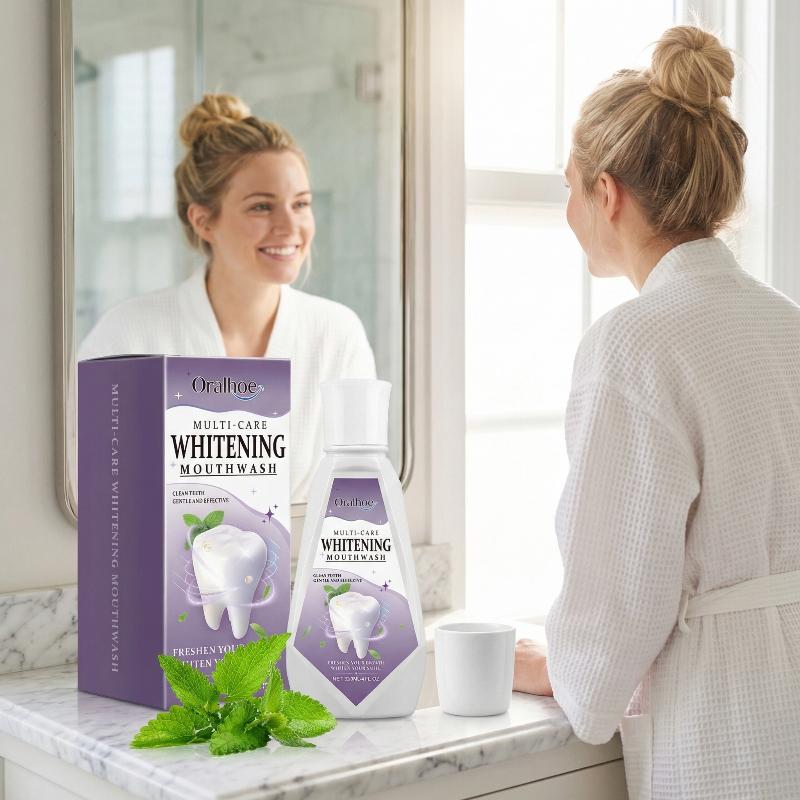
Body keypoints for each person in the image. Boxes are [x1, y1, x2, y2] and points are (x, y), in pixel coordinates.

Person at [512, 25, 800, 799]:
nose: (569, 209)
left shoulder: (634, 343)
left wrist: (564, 671)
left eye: (570, 187)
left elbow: (619, 592)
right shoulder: (789, 323)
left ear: (606, 193)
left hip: (729, 729)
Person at [78, 94, 376, 499]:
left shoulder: (337, 334)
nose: (290, 227)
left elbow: (357, 494)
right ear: (204, 221)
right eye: (261, 207)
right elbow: (87, 489)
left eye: (301, 204)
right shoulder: (129, 336)